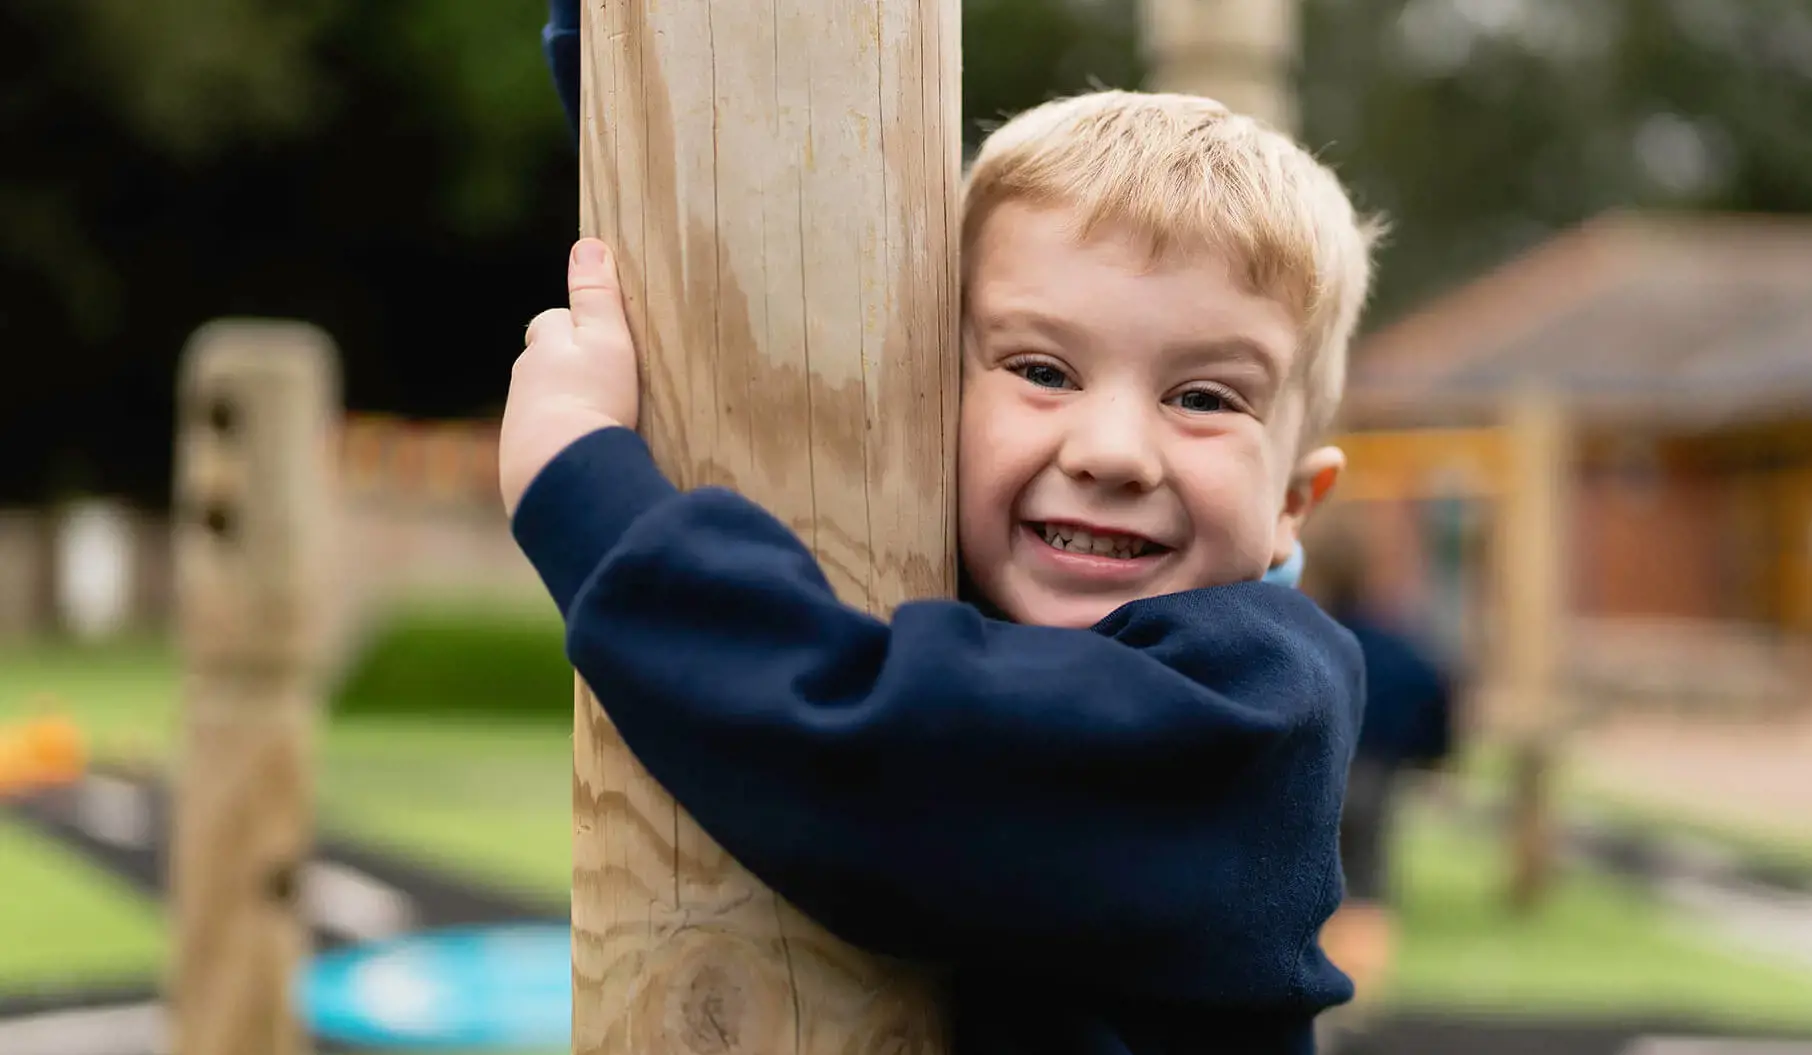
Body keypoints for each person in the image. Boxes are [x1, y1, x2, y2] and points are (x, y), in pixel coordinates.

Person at [503, 10, 1381, 1052]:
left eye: (1204, 397)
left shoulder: (1250, 704)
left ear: (1293, 500)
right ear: (929, 395)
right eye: (1041, 370)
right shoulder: (963, 576)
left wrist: (579, 486)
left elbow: (876, 759)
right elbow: (751, 229)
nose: (1113, 451)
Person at [1302, 518, 1457, 1050]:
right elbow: (1434, 694)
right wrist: (1433, 755)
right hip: (1377, 768)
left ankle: (1315, 984)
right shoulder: (1395, 644)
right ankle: (1354, 997)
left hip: (1315, 767)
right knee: (1366, 878)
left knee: (1306, 876)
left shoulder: (1304, 634)